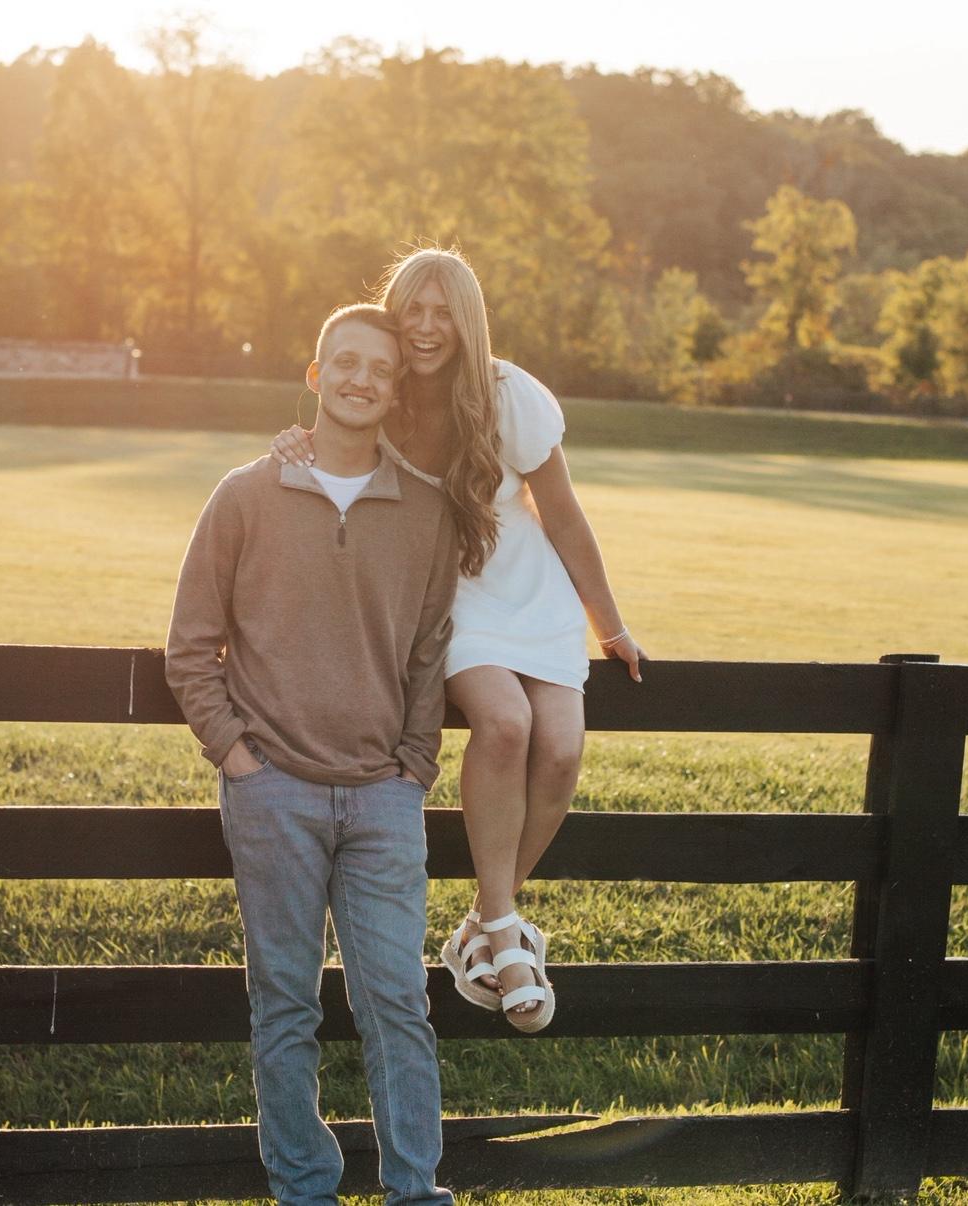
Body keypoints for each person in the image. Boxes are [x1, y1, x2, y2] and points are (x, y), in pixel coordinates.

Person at [271, 247, 645, 1033]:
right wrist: (290, 447)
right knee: (505, 724)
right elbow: (327, 437)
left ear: (468, 321)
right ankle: (508, 941)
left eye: (445, 313)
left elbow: (565, 517)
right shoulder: (385, 390)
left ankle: (484, 925)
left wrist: (608, 622)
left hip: (529, 589)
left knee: (563, 749)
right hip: (450, 594)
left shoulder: (511, 397)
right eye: (415, 310)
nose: (428, 327)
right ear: (396, 314)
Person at [166, 303, 458, 1205]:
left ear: (395, 383)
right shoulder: (246, 494)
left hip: (383, 800)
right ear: (315, 373)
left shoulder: (427, 508)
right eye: (345, 362)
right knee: (284, 1006)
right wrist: (238, 758)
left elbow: (428, 654)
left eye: (379, 366)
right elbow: (190, 648)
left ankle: (417, 1192)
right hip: (273, 795)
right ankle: (303, 1190)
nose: (362, 378)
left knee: (398, 1007)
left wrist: (415, 767)